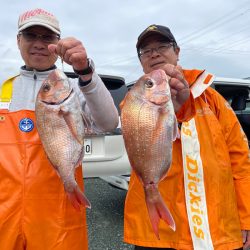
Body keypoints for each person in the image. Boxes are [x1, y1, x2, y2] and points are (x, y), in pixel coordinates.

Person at [123, 24, 250, 250]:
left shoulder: (213, 100)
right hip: (159, 233)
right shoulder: (135, 101)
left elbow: (240, 160)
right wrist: (174, 108)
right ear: (141, 61)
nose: (154, 53)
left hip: (218, 228)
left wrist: (246, 217)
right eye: (145, 51)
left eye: (162, 46)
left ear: (177, 51)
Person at [0, 8, 118, 250]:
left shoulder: (74, 87)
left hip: (57, 213)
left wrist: (86, 72)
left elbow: (108, 122)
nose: (39, 44)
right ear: (18, 40)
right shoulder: (5, 90)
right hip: (4, 213)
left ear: (58, 43)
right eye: (31, 35)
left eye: (48, 37)